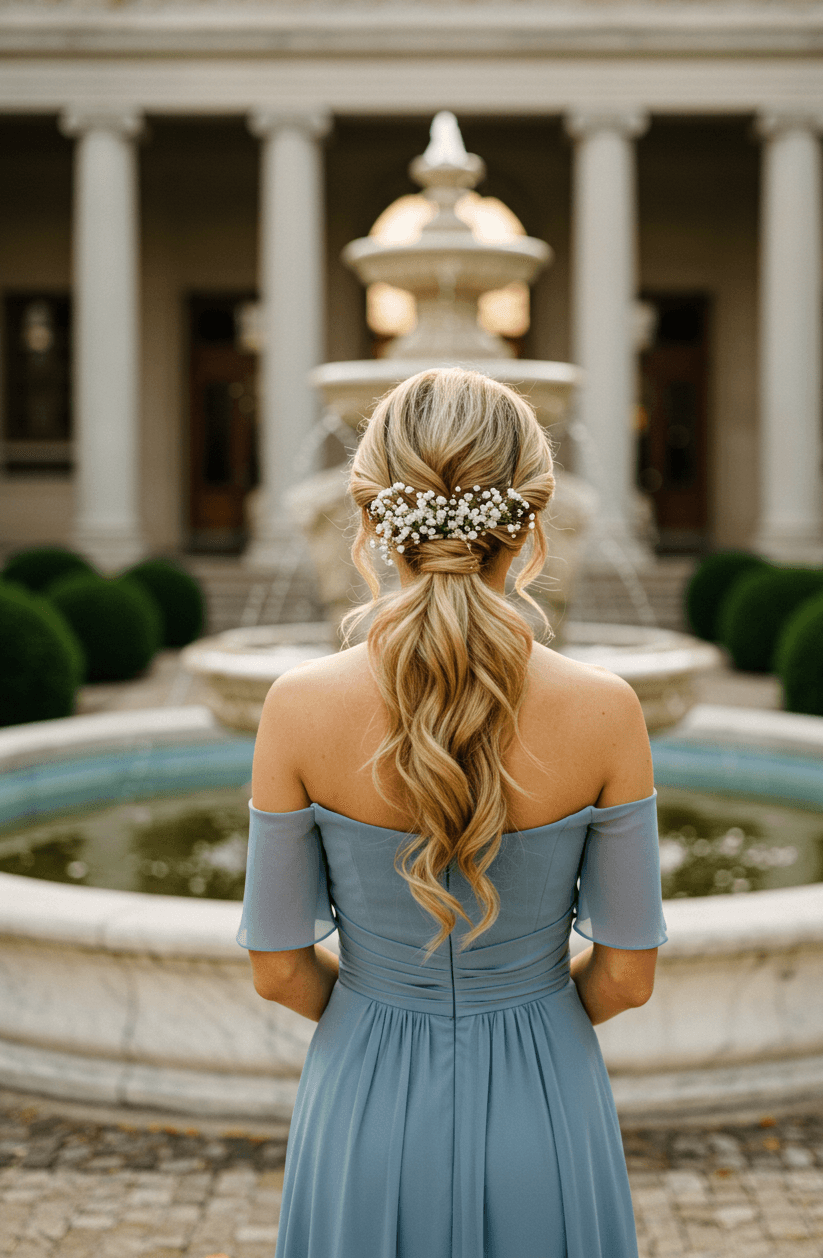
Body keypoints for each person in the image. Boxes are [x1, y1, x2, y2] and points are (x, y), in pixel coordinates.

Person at [238, 366, 667, 1258]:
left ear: (368, 519)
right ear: (534, 522)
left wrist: (383, 1010)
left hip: (361, 1106)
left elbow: (279, 971)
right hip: (547, 1103)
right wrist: (529, 1014)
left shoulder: (295, 707)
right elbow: (627, 977)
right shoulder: (608, 710)